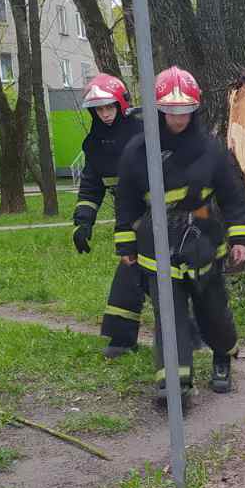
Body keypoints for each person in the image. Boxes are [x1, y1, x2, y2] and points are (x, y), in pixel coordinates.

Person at [114, 66, 245, 408]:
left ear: (195, 109)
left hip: (203, 236)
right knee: (169, 314)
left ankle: (223, 356)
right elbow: (126, 200)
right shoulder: (137, 151)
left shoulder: (212, 150)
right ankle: (174, 383)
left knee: (213, 311)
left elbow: (233, 197)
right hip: (157, 243)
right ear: (160, 110)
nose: (178, 118)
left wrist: (239, 238)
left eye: (185, 111)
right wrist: (126, 243)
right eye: (172, 111)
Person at [71, 74, 147, 358]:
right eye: (99, 109)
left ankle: (198, 334)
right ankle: (122, 340)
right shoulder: (94, 144)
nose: (104, 114)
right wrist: (83, 222)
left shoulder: (144, 131)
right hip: (128, 216)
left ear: (120, 104)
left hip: (163, 213)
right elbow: (92, 184)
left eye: (109, 107)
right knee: (129, 271)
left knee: (170, 278)